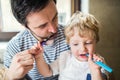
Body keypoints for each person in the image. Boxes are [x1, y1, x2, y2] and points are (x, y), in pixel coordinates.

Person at [33, 11, 109, 80]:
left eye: (88, 43)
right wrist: (39, 57)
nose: (82, 49)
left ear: (96, 41)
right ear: (69, 43)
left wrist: (95, 71)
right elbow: (47, 73)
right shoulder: (65, 57)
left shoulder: (98, 63)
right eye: (75, 44)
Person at [4, 0, 69, 80]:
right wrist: (11, 76)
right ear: (25, 26)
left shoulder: (73, 35)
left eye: (55, 17)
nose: (53, 29)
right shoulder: (16, 47)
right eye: (42, 26)